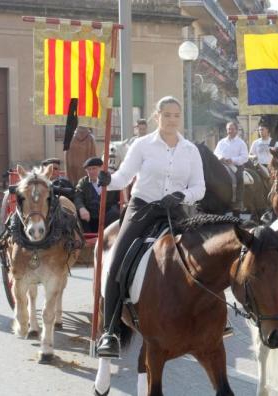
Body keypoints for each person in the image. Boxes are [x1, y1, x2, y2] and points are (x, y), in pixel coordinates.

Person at [95, 96, 206, 358]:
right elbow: (123, 176)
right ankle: (110, 332)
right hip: (142, 208)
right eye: (166, 114)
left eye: (176, 115)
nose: (171, 119)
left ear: (181, 118)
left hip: (174, 211)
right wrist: (107, 180)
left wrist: (182, 196)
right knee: (117, 263)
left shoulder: (191, 150)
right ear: (157, 116)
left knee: (202, 258)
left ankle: (209, 319)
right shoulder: (143, 145)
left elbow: (199, 188)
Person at [74, 157, 120, 233]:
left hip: (108, 218)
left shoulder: (111, 180)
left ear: (101, 168)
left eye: (94, 168)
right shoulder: (83, 182)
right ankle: (86, 240)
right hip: (90, 218)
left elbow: (121, 196)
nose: (91, 172)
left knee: (115, 212)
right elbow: (78, 195)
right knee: (77, 214)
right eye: (89, 169)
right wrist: (81, 208)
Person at [214, 121, 249, 213]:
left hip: (236, 166)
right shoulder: (221, 142)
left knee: (239, 178)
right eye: (229, 129)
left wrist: (232, 160)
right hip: (222, 166)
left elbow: (245, 157)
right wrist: (220, 157)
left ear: (237, 130)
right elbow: (215, 153)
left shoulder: (241, 143)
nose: (230, 131)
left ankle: (239, 201)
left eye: (232, 129)